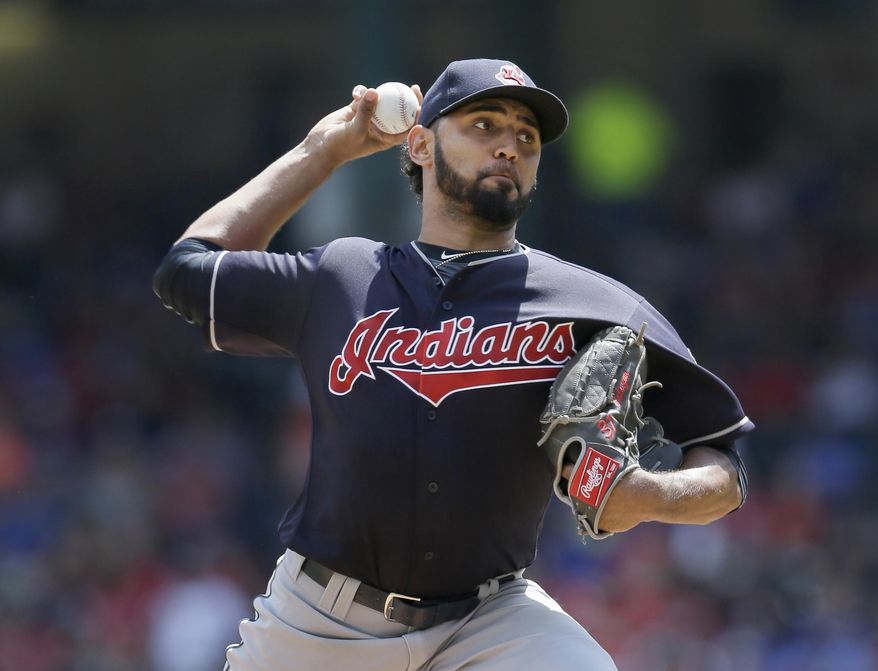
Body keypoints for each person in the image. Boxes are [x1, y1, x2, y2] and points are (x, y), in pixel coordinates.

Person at [153, 58, 752, 671]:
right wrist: (324, 150)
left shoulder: (594, 305)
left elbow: (725, 466)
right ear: (418, 144)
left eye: (526, 137)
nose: (508, 147)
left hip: (491, 622)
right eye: (483, 124)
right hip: (320, 622)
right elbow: (187, 271)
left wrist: (649, 494)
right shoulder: (341, 276)